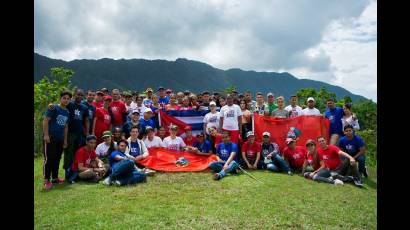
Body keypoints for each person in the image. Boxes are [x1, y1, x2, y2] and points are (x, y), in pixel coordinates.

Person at [42, 91, 71, 190]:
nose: (66, 100)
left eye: (68, 99)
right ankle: (46, 181)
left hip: (60, 138)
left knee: (57, 158)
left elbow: (66, 127)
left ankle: (54, 178)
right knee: (49, 159)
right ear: (60, 98)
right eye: (64, 98)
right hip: (50, 137)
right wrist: (46, 135)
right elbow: (46, 120)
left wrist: (65, 140)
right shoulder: (54, 108)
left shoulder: (67, 112)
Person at [63, 89, 90, 180]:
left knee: (77, 154)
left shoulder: (84, 107)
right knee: (69, 153)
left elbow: (86, 120)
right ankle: (67, 172)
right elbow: (61, 106)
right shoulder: (69, 104)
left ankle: (75, 173)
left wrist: (87, 132)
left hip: (80, 134)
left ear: (83, 97)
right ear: (74, 95)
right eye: (78, 94)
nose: (79, 96)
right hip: (70, 133)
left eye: (81, 95)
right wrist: (51, 106)